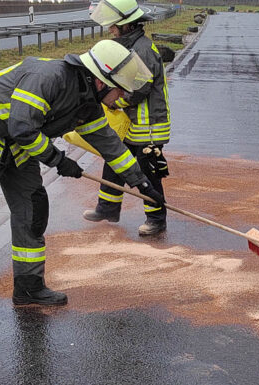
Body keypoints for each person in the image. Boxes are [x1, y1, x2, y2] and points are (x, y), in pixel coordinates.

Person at [0, 40, 165, 333]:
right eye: (120, 89)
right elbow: (22, 126)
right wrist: (58, 160)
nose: (123, 96)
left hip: (18, 143)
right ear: (100, 80)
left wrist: (139, 180)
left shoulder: (88, 103)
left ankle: (29, 287)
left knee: (33, 208)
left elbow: (108, 142)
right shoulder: (50, 77)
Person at [83, 0, 172, 236]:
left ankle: (156, 219)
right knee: (115, 161)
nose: (110, 30)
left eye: (114, 26)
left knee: (148, 172)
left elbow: (140, 88)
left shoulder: (142, 49)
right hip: (132, 123)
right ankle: (107, 208)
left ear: (128, 25)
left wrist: (113, 102)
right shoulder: (128, 46)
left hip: (149, 125)